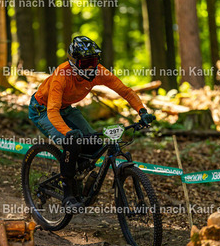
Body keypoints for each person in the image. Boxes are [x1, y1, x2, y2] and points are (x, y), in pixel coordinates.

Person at [29, 36, 155, 208]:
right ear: (74, 62)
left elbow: (125, 91)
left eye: (93, 61)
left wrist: (142, 111)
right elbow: (52, 111)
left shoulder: (99, 72)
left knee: (94, 142)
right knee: (72, 142)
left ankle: (77, 173)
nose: (90, 67)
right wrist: (68, 132)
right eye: (86, 63)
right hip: (42, 109)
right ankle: (67, 194)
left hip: (65, 108)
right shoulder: (62, 75)